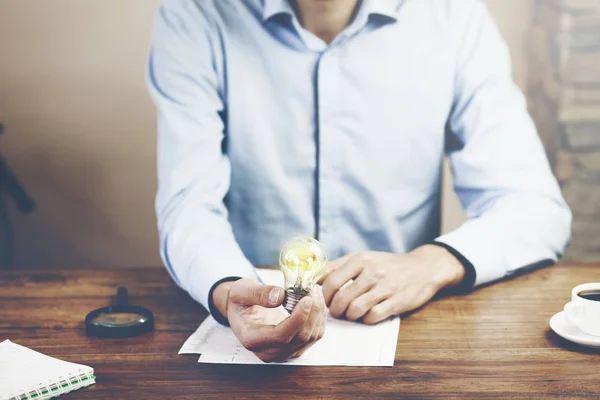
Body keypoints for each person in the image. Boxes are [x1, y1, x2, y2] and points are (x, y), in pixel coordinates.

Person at [147, 0, 572, 362]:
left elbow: (534, 208)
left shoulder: (452, 15)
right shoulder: (196, 14)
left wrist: (430, 264)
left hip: (406, 339)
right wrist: (224, 288)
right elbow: (188, 205)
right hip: (242, 335)